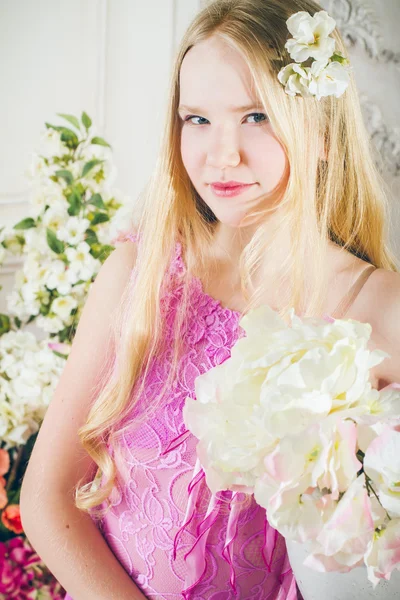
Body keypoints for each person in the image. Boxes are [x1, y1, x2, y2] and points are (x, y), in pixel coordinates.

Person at [20, 0, 400, 598]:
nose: (223, 154)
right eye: (196, 119)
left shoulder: (377, 311)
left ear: (322, 134)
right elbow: (46, 496)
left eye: (255, 116)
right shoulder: (139, 275)